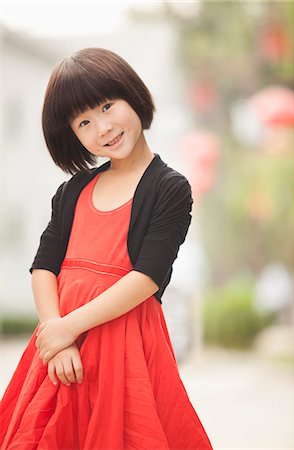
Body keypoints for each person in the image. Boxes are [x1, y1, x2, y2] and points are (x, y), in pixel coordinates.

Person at [0, 47, 214, 450]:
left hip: (125, 344)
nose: (103, 127)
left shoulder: (169, 188)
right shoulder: (73, 190)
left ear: (132, 95)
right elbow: (44, 266)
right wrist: (56, 333)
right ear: (72, 134)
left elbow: (147, 277)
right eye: (84, 121)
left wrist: (69, 326)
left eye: (106, 106)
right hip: (62, 348)